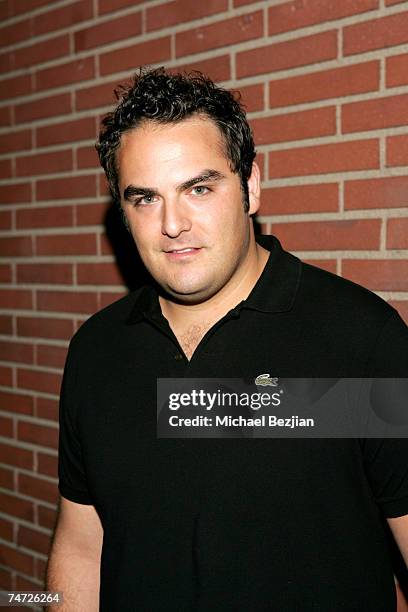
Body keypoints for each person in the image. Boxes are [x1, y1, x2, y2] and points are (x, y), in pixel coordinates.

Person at [47, 67, 408, 611]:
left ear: (250, 186)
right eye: (144, 198)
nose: (172, 224)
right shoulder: (98, 351)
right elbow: (81, 543)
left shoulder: (357, 338)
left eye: (198, 188)